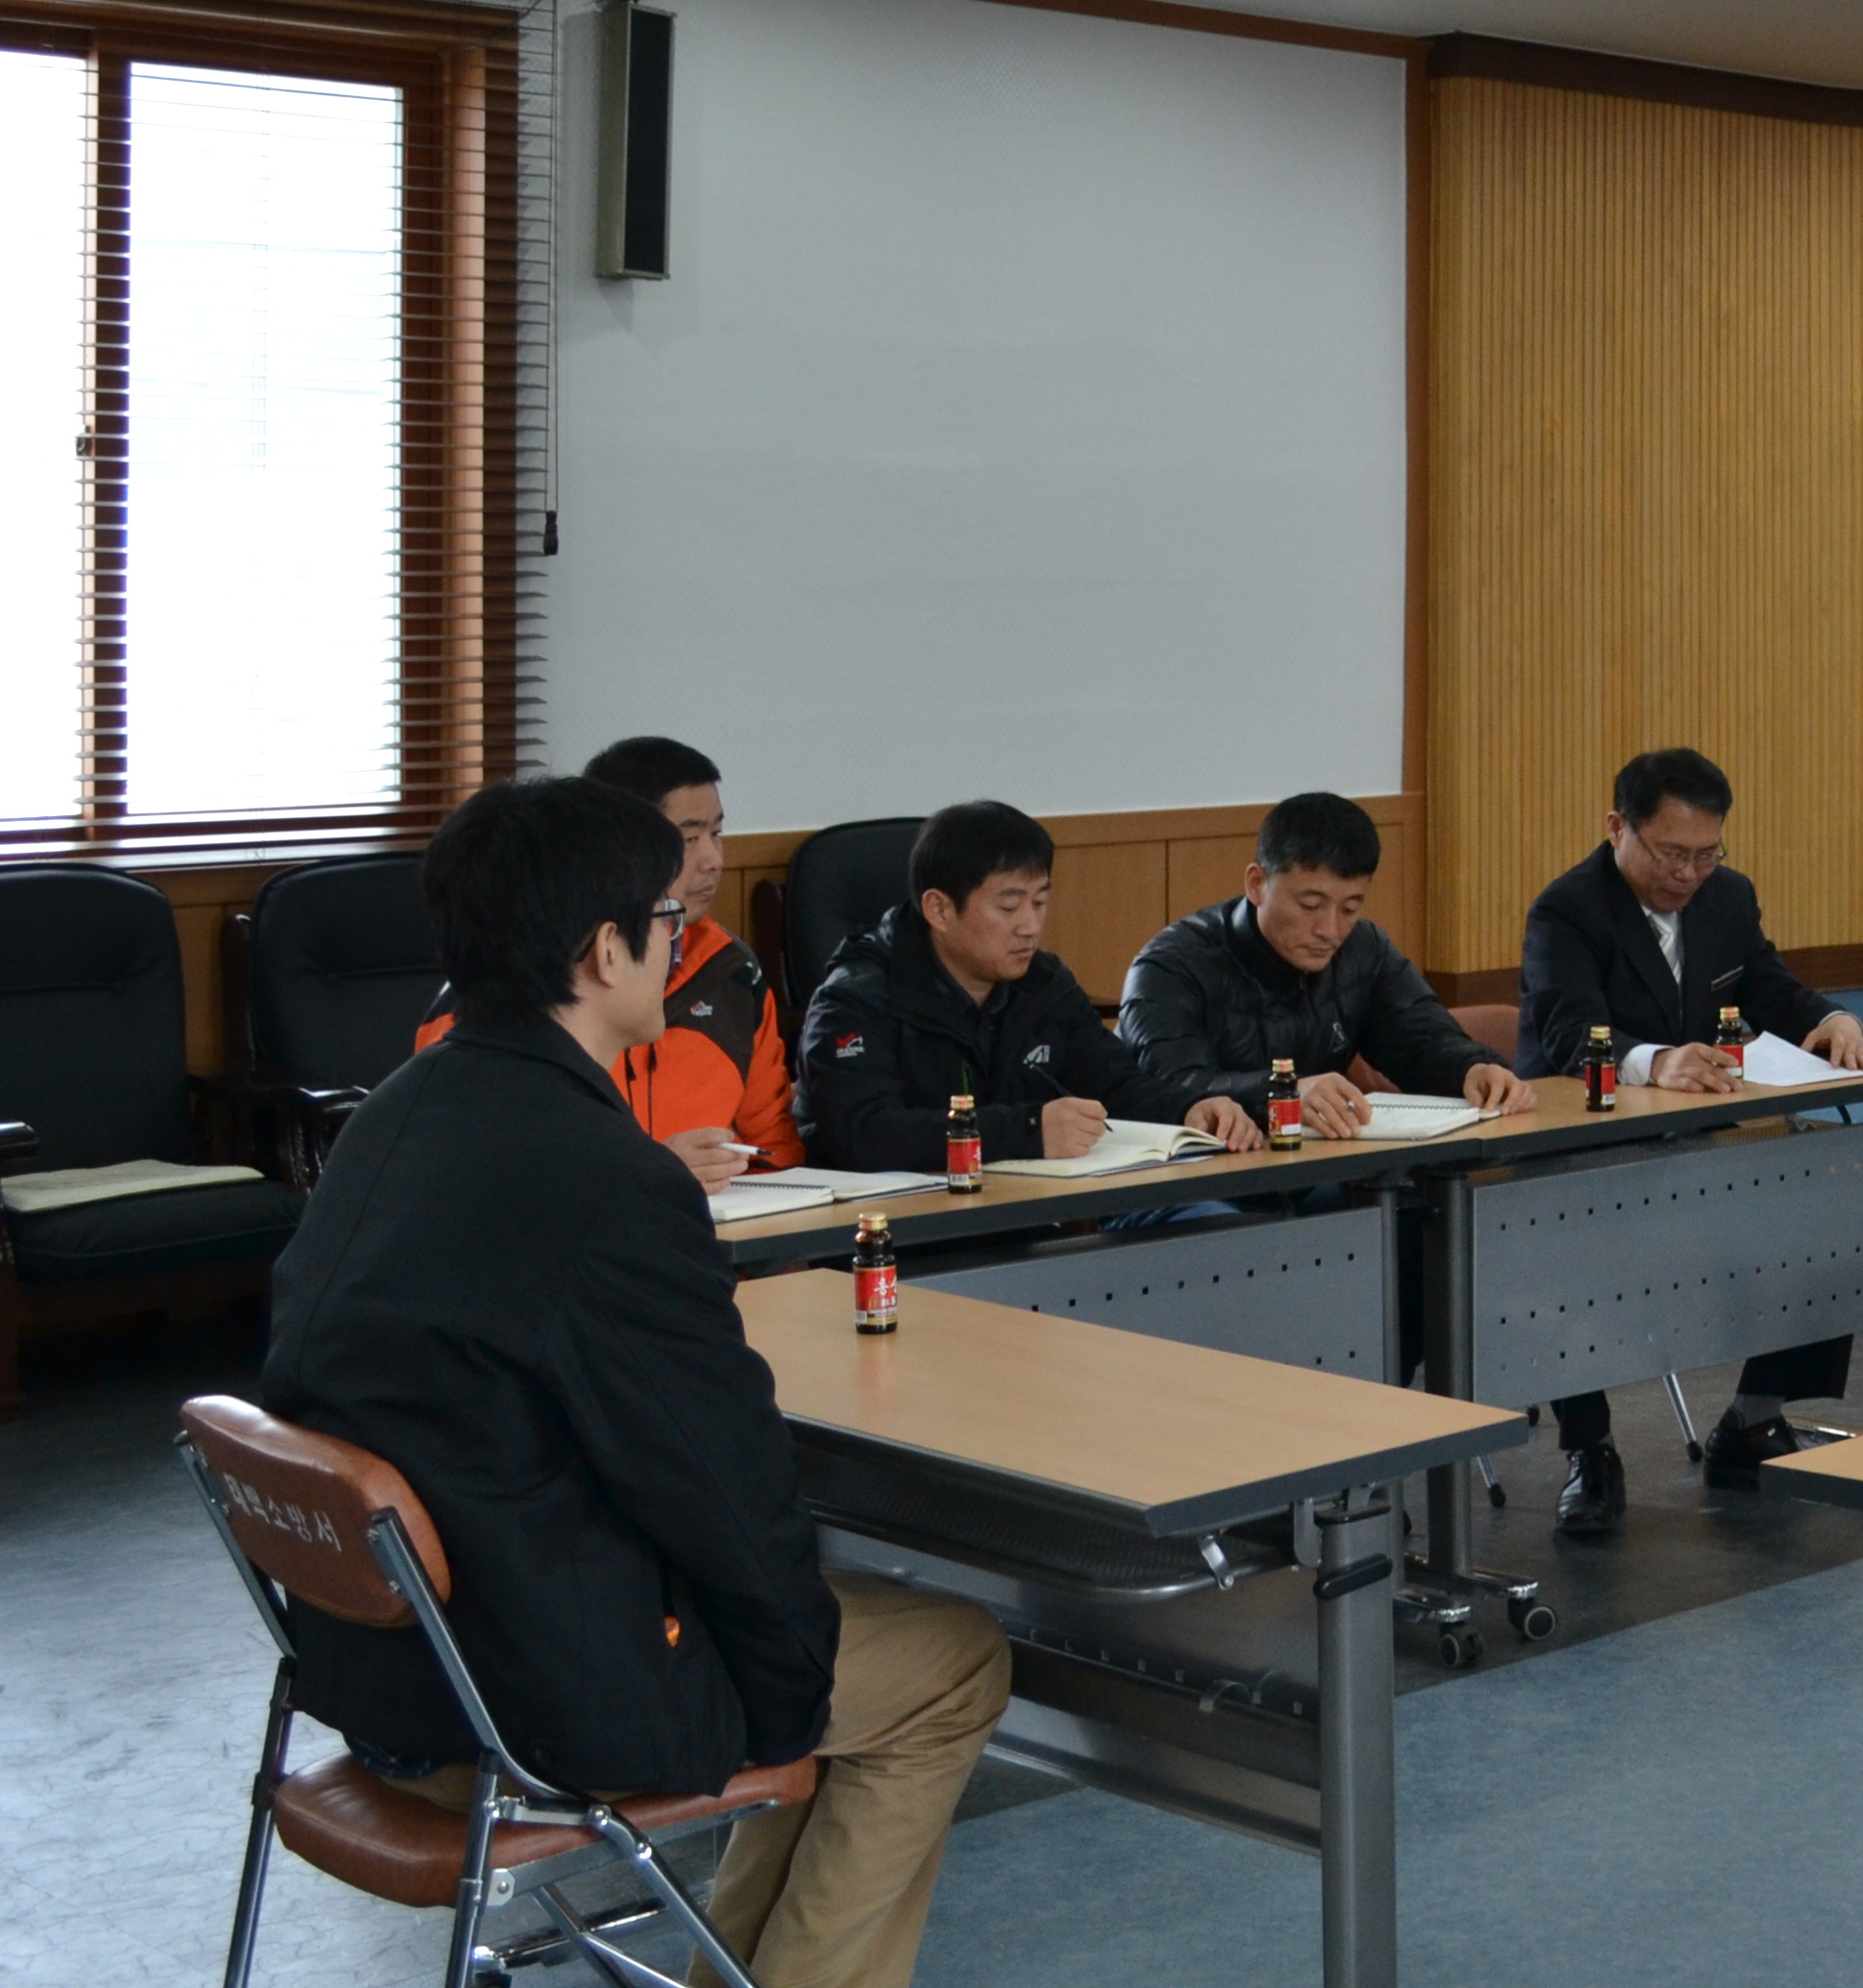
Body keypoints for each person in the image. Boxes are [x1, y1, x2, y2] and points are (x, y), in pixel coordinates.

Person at [261, 773, 1009, 1988]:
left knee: (812, 1654)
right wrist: (785, 1692)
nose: (680, 942)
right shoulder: (606, 1175)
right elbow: (721, 1483)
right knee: (952, 1663)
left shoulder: (392, 1116)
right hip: (533, 1696)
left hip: (388, 1680)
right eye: (667, 920)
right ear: (604, 951)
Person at [1518, 747, 1863, 1533]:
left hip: (1690, 1145)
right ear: (1617, 829)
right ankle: (1590, 1451)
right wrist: (1655, 1060)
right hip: (1578, 1147)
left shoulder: (1727, 898)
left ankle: (1752, 1419)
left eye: (1705, 854)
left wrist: (1832, 1018)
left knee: (1830, 1209)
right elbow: (1565, 1033)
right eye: (1670, 854)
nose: (1687, 875)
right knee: (1564, 1246)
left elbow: (1770, 988)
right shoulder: (1568, 910)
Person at [410, 733, 797, 1188]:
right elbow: (477, 1178)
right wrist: (652, 1173)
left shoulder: (730, 971)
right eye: (687, 838)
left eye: (716, 834)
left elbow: (777, 1151)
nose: (712, 860)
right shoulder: (496, 995)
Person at [795, 801, 1260, 1170]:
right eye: (1008, 907)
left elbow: (1113, 1081)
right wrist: (1027, 1131)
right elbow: (864, 1134)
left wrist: (1188, 1109)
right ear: (939, 909)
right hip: (897, 1233)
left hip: (1021, 1214)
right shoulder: (857, 999)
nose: (1031, 927)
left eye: (1039, 903)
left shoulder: (1043, 983)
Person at [1122, 790, 1521, 1132]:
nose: (1330, 930)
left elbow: (1420, 1042)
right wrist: (1285, 1093)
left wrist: (1472, 1069)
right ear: (1257, 884)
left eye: (1350, 909)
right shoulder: (1170, 967)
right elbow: (1173, 1087)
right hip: (1205, 1175)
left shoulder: (1364, 950)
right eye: (1310, 905)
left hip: (1317, 1166)